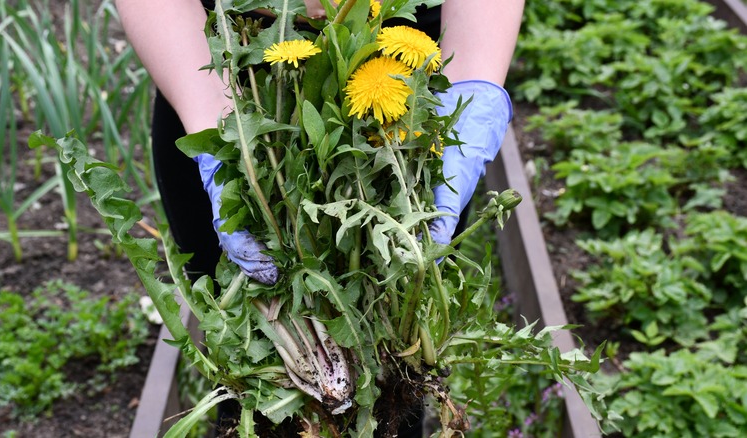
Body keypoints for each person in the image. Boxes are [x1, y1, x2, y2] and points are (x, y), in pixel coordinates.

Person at [116, 0, 524, 435]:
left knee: (393, 379)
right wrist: (224, 139)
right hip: (220, 65)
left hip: (405, 76)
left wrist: (473, 86)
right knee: (258, 387)